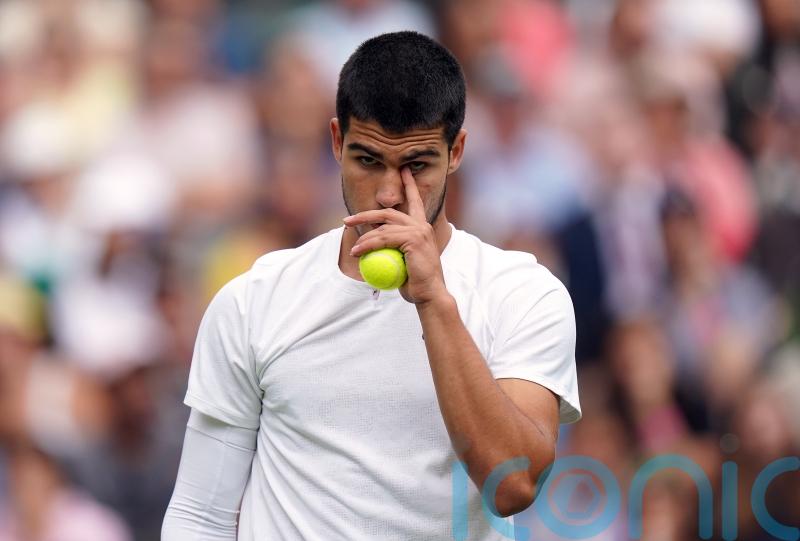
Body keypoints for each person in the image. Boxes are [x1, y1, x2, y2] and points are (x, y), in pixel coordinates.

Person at [162, 31, 580, 540]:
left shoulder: (523, 294)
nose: (388, 193)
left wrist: (433, 299)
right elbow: (200, 516)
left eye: (417, 165)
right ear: (336, 141)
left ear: (456, 151)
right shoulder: (253, 301)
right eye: (368, 160)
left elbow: (513, 484)